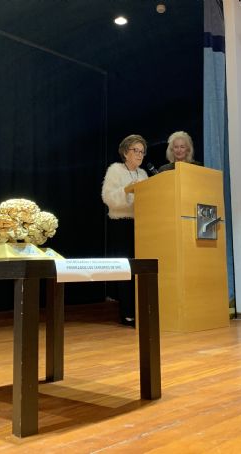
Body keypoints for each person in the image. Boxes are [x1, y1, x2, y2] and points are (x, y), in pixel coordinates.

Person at [101, 134, 149, 327]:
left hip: (142, 225)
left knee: (140, 269)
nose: (139, 155)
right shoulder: (115, 169)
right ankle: (128, 312)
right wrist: (128, 190)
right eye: (135, 150)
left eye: (142, 151)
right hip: (121, 224)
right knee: (127, 270)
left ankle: (141, 310)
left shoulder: (144, 174)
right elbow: (107, 197)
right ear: (125, 152)